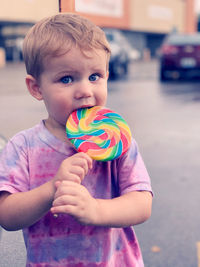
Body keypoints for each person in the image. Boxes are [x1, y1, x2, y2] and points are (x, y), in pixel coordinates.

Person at [0, 13, 153, 266]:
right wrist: (52, 189)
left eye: (95, 76)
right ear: (36, 88)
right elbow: (6, 215)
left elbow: (141, 203)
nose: (85, 90)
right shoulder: (23, 147)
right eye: (67, 79)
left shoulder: (116, 141)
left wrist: (96, 210)